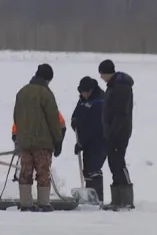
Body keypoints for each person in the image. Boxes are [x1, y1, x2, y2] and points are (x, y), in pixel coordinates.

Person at [13, 64, 63, 212]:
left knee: (25, 171)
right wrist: (58, 140)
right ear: (48, 79)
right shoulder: (46, 94)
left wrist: (19, 136)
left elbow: (16, 117)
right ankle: (44, 203)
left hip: (25, 142)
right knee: (43, 172)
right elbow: (53, 119)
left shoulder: (22, 92)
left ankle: (26, 203)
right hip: (42, 142)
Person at [98, 59, 135, 210]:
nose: (101, 77)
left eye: (102, 74)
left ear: (107, 73)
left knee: (119, 162)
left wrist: (113, 133)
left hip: (120, 132)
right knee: (113, 163)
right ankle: (117, 200)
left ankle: (126, 199)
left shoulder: (121, 87)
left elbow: (121, 113)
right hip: (111, 132)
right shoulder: (112, 86)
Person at [70, 76, 106, 203]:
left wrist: (81, 142)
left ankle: (97, 198)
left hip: (99, 141)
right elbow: (76, 116)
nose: (83, 95)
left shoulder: (99, 101)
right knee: (87, 170)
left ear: (91, 90)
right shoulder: (82, 100)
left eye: (86, 92)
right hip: (86, 141)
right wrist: (74, 123)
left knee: (94, 169)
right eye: (82, 92)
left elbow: (94, 126)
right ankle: (90, 197)